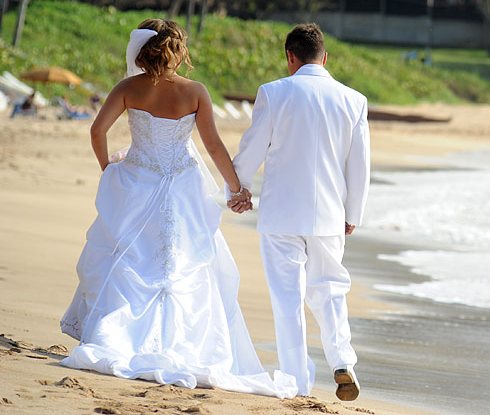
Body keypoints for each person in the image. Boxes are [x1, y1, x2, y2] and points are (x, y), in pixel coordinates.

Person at [59, 20, 296, 398]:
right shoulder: (196, 92)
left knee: (130, 257)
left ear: (141, 51)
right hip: (184, 185)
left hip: (138, 180)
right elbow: (214, 147)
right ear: (178, 51)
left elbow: (97, 131)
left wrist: (110, 169)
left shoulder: (127, 88)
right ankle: (187, 342)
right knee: (186, 261)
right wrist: (238, 189)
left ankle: (117, 333)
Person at [231, 23, 370, 401]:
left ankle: (295, 379)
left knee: (287, 297)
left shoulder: (274, 92)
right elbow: (359, 165)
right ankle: (342, 360)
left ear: (290, 58)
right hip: (329, 214)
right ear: (325, 58)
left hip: (280, 213)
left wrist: (236, 188)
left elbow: (253, 148)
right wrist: (353, 213)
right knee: (330, 290)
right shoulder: (353, 100)